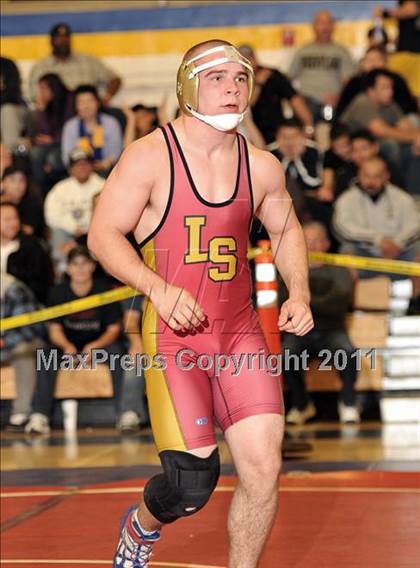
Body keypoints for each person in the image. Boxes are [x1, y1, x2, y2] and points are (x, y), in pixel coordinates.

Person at [89, 39, 313, 568]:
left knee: (262, 469)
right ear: (189, 85)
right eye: (218, 78)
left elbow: (286, 230)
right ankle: (142, 526)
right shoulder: (149, 156)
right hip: (173, 335)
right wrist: (158, 288)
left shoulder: (261, 166)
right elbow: (102, 236)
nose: (232, 88)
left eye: (240, 78)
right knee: (191, 485)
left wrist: (298, 290)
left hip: (238, 334)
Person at [25, 246, 124, 435]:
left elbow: (114, 329)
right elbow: (54, 330)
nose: (80, 269)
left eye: (84, 264)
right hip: (67, 348)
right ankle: (39, 416)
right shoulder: (57, 293)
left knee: (118, 353)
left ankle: (125, 413)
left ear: (92, 266)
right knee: (46, 356)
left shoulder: (104, 290)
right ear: (68, 268)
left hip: (99, 347)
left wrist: (95, 346)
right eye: (75, 264)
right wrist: (67, 346)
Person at [282, 221, 359, 425]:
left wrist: (302, 300)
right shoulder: (289, 271)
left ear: (326, 244)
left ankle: (348, 404)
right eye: (306, 241)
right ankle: (302, 405)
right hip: (298, 331)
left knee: (349, 353)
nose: (312, 246)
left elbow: (339, 302)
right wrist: (319, 298)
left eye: (316, 241)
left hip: (331, 329)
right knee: (286, 355)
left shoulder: (338, 269)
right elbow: (282, 297)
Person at [333, 157, 420, 278]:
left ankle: (416, 296)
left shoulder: (402, 198)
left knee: (418, 251)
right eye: (366, 176)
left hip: (399, 253)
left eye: (377, 176)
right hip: (365, 253)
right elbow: (343, 228)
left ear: (386, 176)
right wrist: (378, 240)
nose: (370, 181)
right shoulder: (346, 199)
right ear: (359, 175)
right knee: (347, 251)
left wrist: (397, 244)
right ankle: (350, 296)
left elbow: (415, 226)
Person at [340, 69, 420, 168]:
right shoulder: (363, 102)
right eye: (385, 87)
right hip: (351, 147)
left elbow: (406, 125)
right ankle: (395, 179)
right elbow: (380, 130)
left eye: (391, 87)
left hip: (374, 143)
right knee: (391, 145)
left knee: (414, 121)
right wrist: (415, 136)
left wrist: (416, 138)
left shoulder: (390, 103)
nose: (390, 91)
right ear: (371, 91)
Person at [238, 44, 313, 144]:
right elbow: (246, 107)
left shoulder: (271, 74)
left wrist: (308, 125)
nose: (248, 63)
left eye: (250, 58)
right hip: (249, 134)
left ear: (255, 59)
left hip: (277, 135)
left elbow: (294, 98)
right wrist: (259, 84)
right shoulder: (236, 79)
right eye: (243, 60)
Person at [28, 23, 121, 103]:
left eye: (66, 37)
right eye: (59, 38)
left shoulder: (88, 61)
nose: (63, 41)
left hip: (87, 114)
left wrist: (105, 99)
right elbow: (34, 96)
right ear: (51, 41)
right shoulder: (41, 66)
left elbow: (115, 79)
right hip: (56, 116)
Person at [288, 10, 355, 123]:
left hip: (333, 103)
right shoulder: (303, 51)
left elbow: (348, 81)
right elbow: (288, 78)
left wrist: (340, 97)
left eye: (328, 22)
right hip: (306, 101)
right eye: (320, 22)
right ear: (314, 26)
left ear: (333, 26)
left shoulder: (342, 51)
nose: (325, 27)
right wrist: (298, 99)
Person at [44, 148, 104, 270]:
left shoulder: (103, 184)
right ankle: (62, 270)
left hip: (94, 230)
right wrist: (72, 227)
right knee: (57, 233)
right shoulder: (60, 188)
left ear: (92, 166)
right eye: (77, 165)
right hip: (67, 231)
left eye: (85, 164)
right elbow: (51, 215)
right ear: (70, 169)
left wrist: (87, 229)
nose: (81, 168)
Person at [1, 273, 44, 430]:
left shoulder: (14, 289)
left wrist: (3, 341)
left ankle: (22, 413)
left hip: (27, 341)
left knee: (23, 352)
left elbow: (28, 331)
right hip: (4, 345)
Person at [335, 46, 418, 121]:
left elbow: (409, 108)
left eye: (378, 59)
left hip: (394, 121)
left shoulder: (396, 80)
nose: (373, 64)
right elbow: (344, 109)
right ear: (362, 64)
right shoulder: (355, 83)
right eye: (369, 60)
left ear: (385, 63)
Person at [61, 85, 123, 176]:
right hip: (80, 170)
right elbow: (66, 155)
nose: (86, 106)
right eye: (81, 102)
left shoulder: (111, 123)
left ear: (98, 103)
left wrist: (105, 163)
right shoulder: (70, 126)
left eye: (90, 101)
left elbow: (116, 150)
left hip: (106, 168)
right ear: (76, 106)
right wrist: (82, 168)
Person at [29, 73, 74, 191]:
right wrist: (42, 110)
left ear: (54, 87)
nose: (41, 93)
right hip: (52, 143)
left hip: (67, 142)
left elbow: (70, 127)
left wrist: (53, 139)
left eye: (44, 88)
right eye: (40, 89)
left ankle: (57, 188)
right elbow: (45, 131)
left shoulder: (69, 100)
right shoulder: (48, 104)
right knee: (35, 153)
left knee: (52, 158)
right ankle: (41, 189)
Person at [0, 202, 53, 303]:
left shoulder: (32, 247)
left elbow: (42, 284)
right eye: (7, 219)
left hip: (23, 305)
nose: (13, 223)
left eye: (15, 218)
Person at [117, 295, 150, 433]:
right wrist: (138, 344)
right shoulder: (139, 290)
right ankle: (130, 413)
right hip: (146, 344)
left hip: (174, 345)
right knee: (134, 360)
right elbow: (130, 322)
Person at [1, 165, 45, 237]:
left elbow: (28, 231)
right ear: (2, 183)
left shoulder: (32, 205)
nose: (17, 185)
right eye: (13, 180)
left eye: (22, 180)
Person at [0, 57, 28, 151]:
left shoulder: (7, 65)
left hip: (13, 108)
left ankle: (11, 155)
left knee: (7, 111)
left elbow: (12, 94)